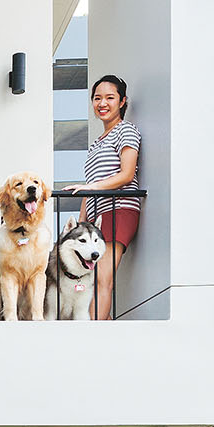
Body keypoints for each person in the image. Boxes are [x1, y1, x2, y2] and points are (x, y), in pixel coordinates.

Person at [66, 74, 141, 320]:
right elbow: (91, 187)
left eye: (110, 97)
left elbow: (126, 174)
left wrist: (90, 188)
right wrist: (78, 227)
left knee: (101, 278)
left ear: (122, 101)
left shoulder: (126, 130)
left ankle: (94, 334)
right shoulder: (96, 143)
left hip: (120, 210)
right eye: (97, 98)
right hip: (97, 220)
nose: (102, 103)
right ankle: (104, 330)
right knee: (88, 281)